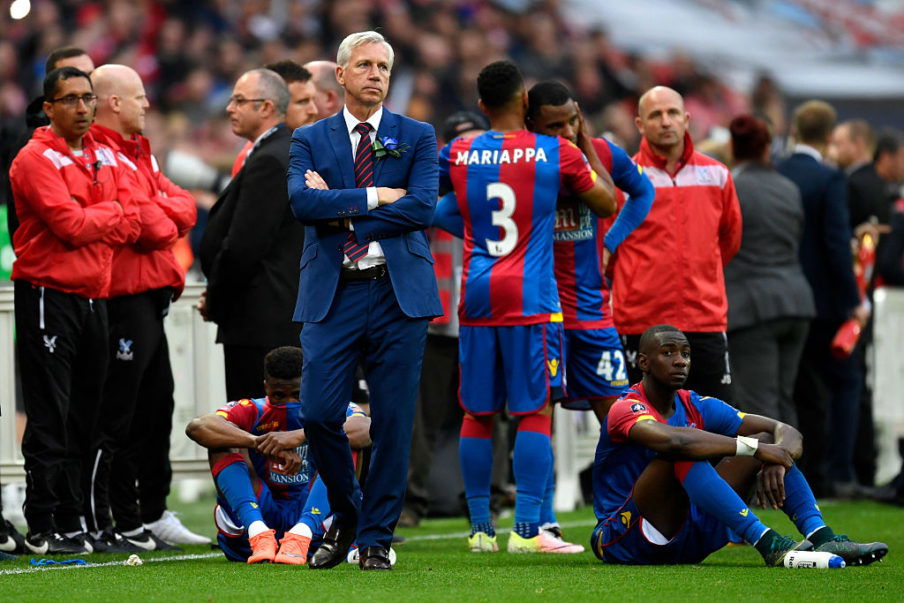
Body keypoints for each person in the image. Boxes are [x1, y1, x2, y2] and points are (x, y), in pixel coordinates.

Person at [434, 60, 616, 554]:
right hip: (531, 297)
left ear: (480, 106)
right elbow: (607, 204)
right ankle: (529, 530)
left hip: (476, 294)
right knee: (533, 411)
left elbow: (430, 203)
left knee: (478, 413)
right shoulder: (555, 152)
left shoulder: (459, 149)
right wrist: (583, 147)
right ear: (525, 105)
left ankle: (479, 530)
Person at [287, 30, 442, 571]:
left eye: (384, 67)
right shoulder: (309, 137)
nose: (376, 74)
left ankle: (375, 538)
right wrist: (377, 197)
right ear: (341, 72)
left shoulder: (418, 134)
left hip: (400, 296)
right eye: (366, 65)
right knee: (319, 413)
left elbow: (423, 208)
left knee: (394, 422)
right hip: (335, 293)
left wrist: (341, 209)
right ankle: (349, 514)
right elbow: (302, 205)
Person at [590, 324, 888, 567]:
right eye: (668, 353)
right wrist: (756, 451)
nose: (680, 360)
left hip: (691, 538)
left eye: (685, 353)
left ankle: (822, 535)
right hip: (628, 536)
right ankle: (768, 542)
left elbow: (785, 431)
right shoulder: (625, 407)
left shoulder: (695, 403)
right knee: (684, 451)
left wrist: (774, 458)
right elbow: (675, 440)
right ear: (643, 362)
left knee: (766, 439)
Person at [10, 66, 140, 554]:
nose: (83, 108)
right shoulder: (33, 158)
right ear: (49, 107)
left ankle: (73, 520)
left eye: (88, 99)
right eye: (70, 100)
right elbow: (68, 225)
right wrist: (103, 216)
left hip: (94, 296)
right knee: (50, 414)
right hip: (48, 294)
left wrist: (96, 217)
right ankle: (42, 524)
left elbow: (132, 221)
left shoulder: (106, 151)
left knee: (87, 414)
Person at [523, 80, 655, 547]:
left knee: (619, 413)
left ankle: (635, 510)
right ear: (531, 123)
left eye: (571, 121)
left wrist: (613, 242)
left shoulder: (599, 151)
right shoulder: (527, 158)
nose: (564, 131)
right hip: (539, 310)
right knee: (536, 415)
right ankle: (541, 523)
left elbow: (641, 194)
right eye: (553, 125)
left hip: (593, 312)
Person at [82, 64, 204, 551]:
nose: (147, 104)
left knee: (157, 409)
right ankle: (114, 516)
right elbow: (150, 225)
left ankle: (150, 513)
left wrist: (163, 211)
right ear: (113, 102)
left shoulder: (139, 154)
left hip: (152, 296)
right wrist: (163, 213)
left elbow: (183, 207)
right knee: (119, 414)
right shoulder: (98, 154)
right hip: (123, 297)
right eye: (138, 96)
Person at [612, 86, 742, 401]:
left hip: (704, 320)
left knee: (715, 426)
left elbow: (729, 240)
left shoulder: (717, 175)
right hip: (643, 323)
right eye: (656, 115)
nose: (666, 121)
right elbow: (608, 249)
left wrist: (700, 275)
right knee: (646, 430)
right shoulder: (624, 180)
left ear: (686, 119)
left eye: (672, 113)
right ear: (640, 124)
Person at [186, 347, 372, 564]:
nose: (289, 403)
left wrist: (300, 436)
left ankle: (302, 533)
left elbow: (366, 430)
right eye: (278, 395)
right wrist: (257, 442)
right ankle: (258, 533)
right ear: (266, 386)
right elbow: (198, 427)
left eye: (297, 394)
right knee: (220, 442)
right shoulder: (252, 409)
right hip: (260, 517)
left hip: (318, 529)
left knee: (348, 442)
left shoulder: (332, 409)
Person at [199, 68, 305, 402]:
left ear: (266, 108)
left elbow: (244, 247)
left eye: (240, 100)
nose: (230, 107)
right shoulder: (279, 152)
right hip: (273, 320)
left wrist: (215, 299)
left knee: (258, 430)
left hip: (261, 324)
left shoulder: (271, 159)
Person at [776, 101, 865, 498]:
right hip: (825, 304)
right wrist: (853, 300)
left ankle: (794, 471)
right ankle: (837, 473)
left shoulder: (775, 172)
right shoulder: (829, 179)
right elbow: (834, 244)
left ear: (794, 130)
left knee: (792, 388)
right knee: (843, 385)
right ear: (830, 137)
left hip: (780, 299)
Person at [724, 115, 815, 426]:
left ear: (732, 148)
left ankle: (767, 476)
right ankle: (793, 475)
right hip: (797, 302)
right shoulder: (788, 188)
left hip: (752, 308)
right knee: (783, 400)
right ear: (767, 148)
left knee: (758, 406)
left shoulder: (731, 187)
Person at [230, 61, 320, 177]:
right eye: (302, 102)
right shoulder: (257, 159)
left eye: (314, 100)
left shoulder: (315, 149)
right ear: (277, 105)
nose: (313, 110)